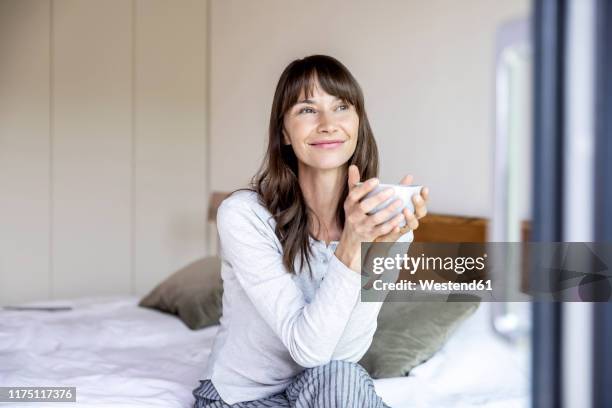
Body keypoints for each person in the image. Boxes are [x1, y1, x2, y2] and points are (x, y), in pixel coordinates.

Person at [193, 55, 429, 408]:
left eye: (341, 107)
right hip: (241, 400)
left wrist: (378, 251)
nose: (327, 124)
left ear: (358, 124)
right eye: (307, 110)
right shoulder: (244, 215)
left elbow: (344, 354)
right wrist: (351, 245)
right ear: (284, 132)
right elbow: (308, 350)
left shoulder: (380, 224)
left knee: (345, 377)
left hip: (324, 390)